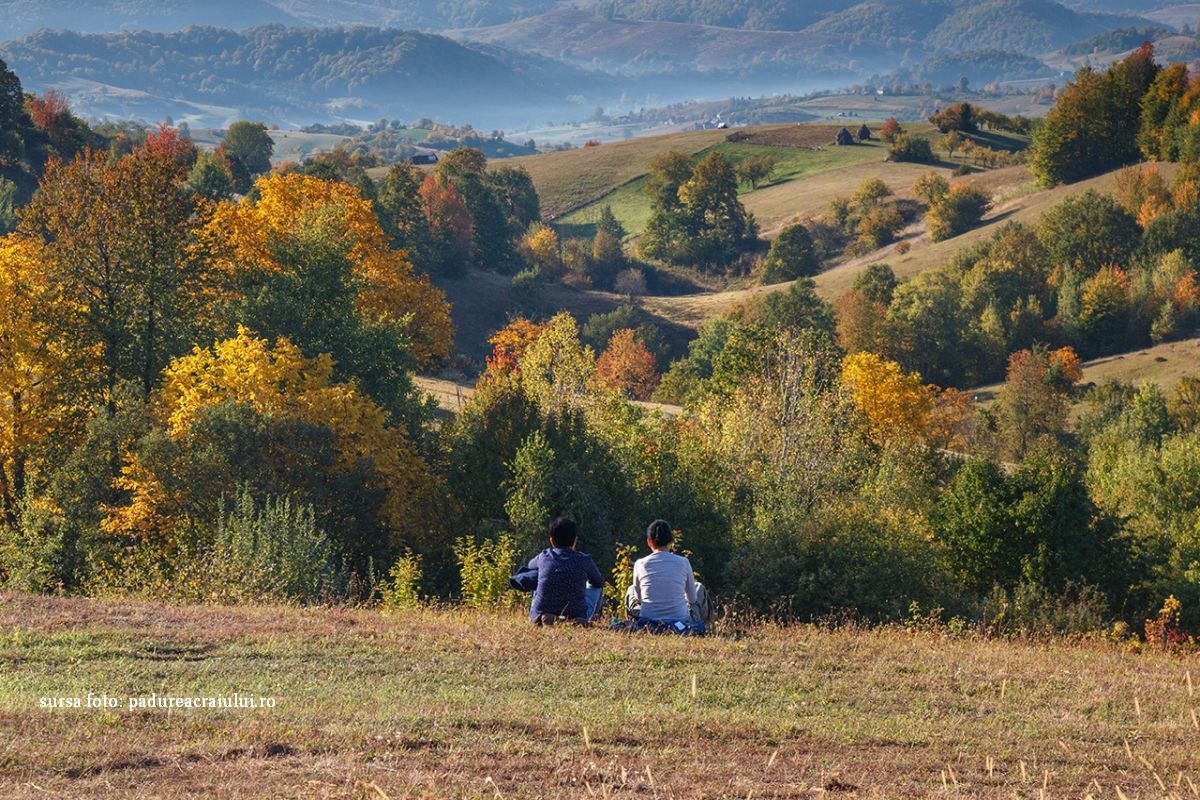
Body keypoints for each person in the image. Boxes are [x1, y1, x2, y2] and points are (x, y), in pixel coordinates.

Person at [526, 517, 606, 625]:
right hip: (577, 612)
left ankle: (540, 616)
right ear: (574, 540)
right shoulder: (584, 560)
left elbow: (530, 566)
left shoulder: (544, 557)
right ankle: (579, 619)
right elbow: (599, 581)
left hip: (543, 613)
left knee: (535, 576)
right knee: (595, 587)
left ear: (552, 540)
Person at [629, 519, 699, 626]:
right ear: (671, 542)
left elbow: (639, 599)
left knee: (631, 590)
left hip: (648, 619)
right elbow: (692, 599)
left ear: (649, 541)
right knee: (699, 588)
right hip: (680, 620)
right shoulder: (684, 562)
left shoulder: (640, 564)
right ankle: (707, 626)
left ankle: (633, 621)